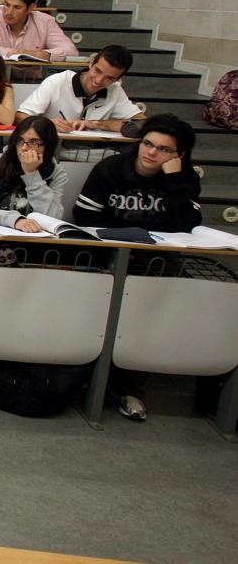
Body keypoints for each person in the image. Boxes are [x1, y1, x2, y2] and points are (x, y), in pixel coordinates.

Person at [73, 114, 202, 422]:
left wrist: (173, 182)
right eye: (147, 144)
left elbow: (185, 224)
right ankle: (86, 376)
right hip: (105, 255)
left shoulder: (183, 179)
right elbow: (85, 216)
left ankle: (131, 388)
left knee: (156, 310)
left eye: (163, 149)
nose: (151, 153)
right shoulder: (111, 169)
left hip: (156, 262)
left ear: (178, 156)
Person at [15, 45, 145, 133]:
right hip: (51, 146)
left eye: (109, 78)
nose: (99, 81)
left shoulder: (115, 89)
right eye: (97, 71)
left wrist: (96, 124)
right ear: (91, 63)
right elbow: (20, 116)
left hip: (90, 150)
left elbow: (142, 123)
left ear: (118, 79)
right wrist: (47, 124)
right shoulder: (58, 81)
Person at [0, 116, 68, 230]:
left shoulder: (56, 172)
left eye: (34, 142)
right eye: (20, 140)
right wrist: (15, 220)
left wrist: (31, 175)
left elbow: (53, 218)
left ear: (48, 146)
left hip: (36, 237)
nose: (24, 148)